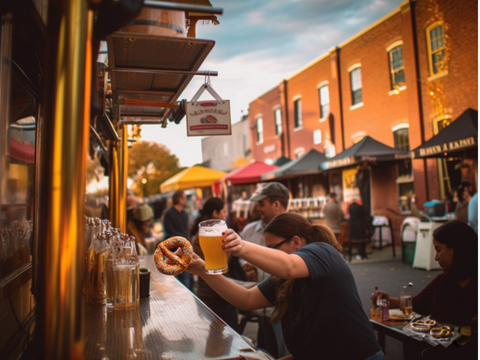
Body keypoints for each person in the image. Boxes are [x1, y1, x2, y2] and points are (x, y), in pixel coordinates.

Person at [185, 212, 384, 360]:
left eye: (272, 248)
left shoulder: (323, 252)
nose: (268, 254)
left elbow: (288, 266)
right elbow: (246, 300)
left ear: (296, 241)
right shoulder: (284, 279)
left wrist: (241, 246)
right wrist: (204, 271)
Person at [372, 220, 477, 359]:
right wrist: (390, 300)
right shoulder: (442, 281)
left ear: (458, 249)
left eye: (439, 250)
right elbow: (417, 304)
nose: (436, 257)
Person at [240, 182, 290, 358]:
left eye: (262, 204)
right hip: (262, 307)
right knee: (267, 351)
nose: (258, 208)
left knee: (288, 350)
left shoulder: (296, 232)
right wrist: (246, 267)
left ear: (277, 204)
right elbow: (241, 260)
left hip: (287, 307)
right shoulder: (249, 230)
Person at [189, 197, 243, 331]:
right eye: (223, 212)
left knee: (220, 341)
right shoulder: (203, 236)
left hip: (214, 292)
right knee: (227, 338)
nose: (226, 215)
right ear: (215, 213)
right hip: (215, 294)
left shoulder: (203, 234)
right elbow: (215, 264)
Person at [163, 190, 193, 290]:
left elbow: (186, 231)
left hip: (185, 250)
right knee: (175, 281)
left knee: (187, 278)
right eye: (185, 198)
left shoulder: (184, 214)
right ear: (180, 199)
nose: (186, 200)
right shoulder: (169, 213)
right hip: (174, 251)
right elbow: (170, 232)